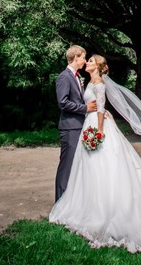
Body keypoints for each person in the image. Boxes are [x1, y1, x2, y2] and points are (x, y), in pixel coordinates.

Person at [49, 55, 141, 253]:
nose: (87, 62)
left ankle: (106, 209)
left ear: (98, 66)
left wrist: (99, 130)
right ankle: (87, 205)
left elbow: (100, 108)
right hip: (89, 123)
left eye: (90, 61)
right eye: (86, 60)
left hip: (96, 126)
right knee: (88, 167)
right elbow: (94, 106)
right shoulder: (90, 81)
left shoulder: (99, 83)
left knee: (104, 166)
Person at [54, 45, 97, 201]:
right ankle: (59, 202)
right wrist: (85, 108)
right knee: (67, 166)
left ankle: (71, 202)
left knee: (76, 165)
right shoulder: (64, 77)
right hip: (70, 128)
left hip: (79, 126)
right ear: (76, 57)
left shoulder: (76, 76)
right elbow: (63, 103)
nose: (85, 61)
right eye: (83, 57)